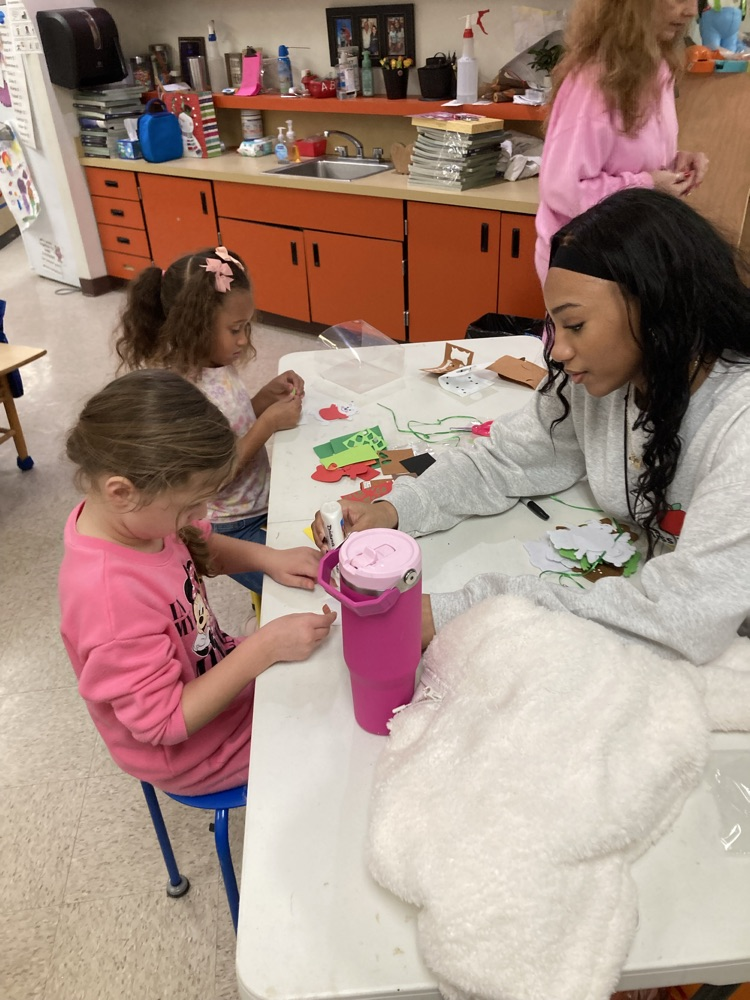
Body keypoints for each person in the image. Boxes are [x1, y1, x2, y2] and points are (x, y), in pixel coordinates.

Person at [313, 188, 750, 665]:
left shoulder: (738, 423)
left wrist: (459, 613)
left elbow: (682, 614)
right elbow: (504, 460)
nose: (558, 350)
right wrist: (394, 511)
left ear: (659, 310)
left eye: (576, 325)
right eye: (553, 327)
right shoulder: (601, 380)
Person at [60, 369, 336, 796]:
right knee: (339, 734)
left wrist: (269, 559)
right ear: (121, 492)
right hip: (196, 751)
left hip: (217, 677)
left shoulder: (134, 518)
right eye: (191, 504)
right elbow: (165, 721)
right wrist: (264, 647)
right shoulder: (108, 600)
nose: (203, 513)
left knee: (331, 670)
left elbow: (198, 544)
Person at [116, 245, 303, 593]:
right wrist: (268, 425)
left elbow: (228, 424)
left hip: (262, 503)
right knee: (301, 586)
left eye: (247, 325)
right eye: (235, 329)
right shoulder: (183, 391)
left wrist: (263, 400)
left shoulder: (214, 361)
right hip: (229, 527)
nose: (244, 339)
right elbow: (211, 476)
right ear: (195, 328)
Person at [535, 0, 709, 283]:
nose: (691, 11)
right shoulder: (595, 81)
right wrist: (648, 185)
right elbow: (562, 190)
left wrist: (675, 164)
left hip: (627, 253)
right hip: (586, 265)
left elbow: (625, 156)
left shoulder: (656, 69)